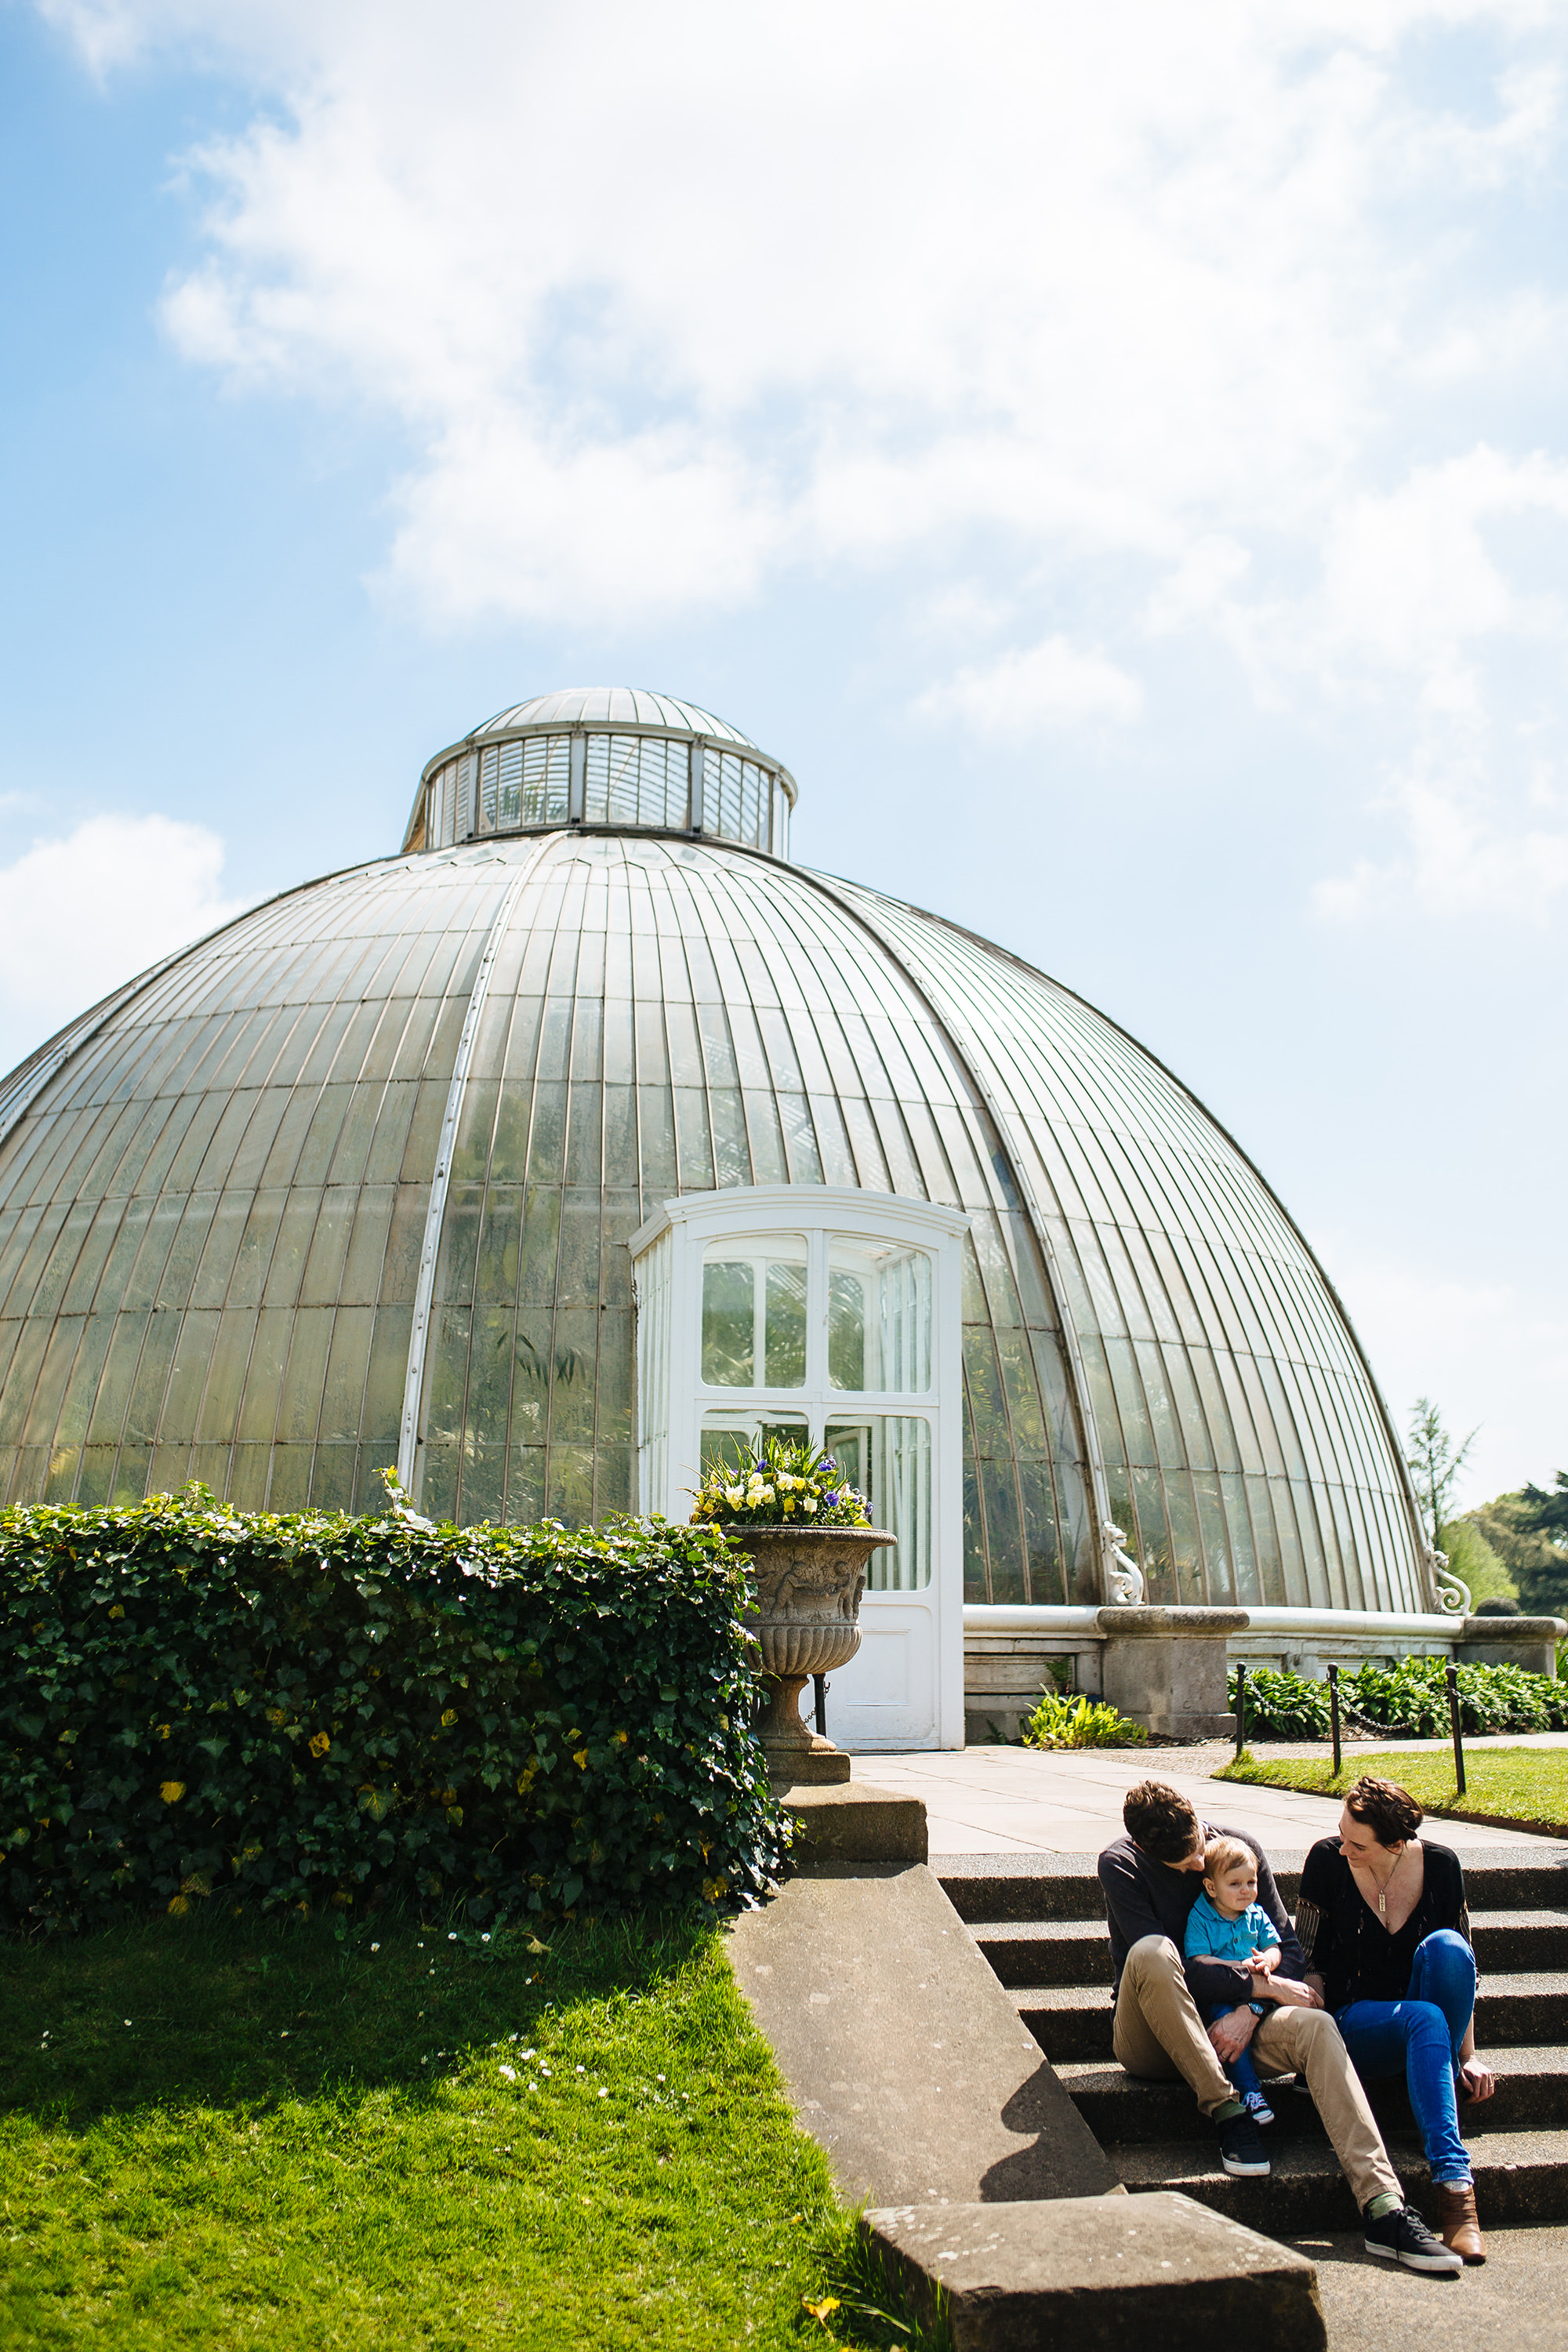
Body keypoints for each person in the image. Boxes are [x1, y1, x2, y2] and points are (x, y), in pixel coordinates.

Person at [1099, 1779, 1461, 2274]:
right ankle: (1229, 2112)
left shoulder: (1237, 1849)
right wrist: (1261, 1991)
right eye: (1183, 1867)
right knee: (1154, 1953)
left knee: (1315, 2024)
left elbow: (1289, 1955)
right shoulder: (1121, 1864)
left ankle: (1384, 2206)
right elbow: (1182, 1972)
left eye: (1197, 1851)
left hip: (1234, 2031)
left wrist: (1250, 2012)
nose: (1197, 1867)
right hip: (1152, 2035)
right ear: (1143, 1847)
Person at [1298, 1773, 1494, 2265]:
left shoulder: (1442, 1865)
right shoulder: (1326, 1860)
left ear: (1397, 1842)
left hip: (1421, 2011)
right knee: (1424, 2019)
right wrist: (1308, 1994)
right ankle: (1456, 2194)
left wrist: (1469, 2055)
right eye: (1341, 1833)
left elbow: (1462, 1970)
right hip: (1351, 2022)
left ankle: (1443, 2071)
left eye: (1357, 1843)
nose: (1344, 1848)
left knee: (1449, 1948)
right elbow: (1304, 1956)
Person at [1184, 1835, 1282, 2123]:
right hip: (1221, 1995)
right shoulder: (1201, 1917)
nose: (1245, 1891)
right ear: (1211, 1887)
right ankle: (1250, 2092)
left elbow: (1275, 1948)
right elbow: (1199, 1959)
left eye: (1251, 1883)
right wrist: (1238, 1965)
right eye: (1235, 1884)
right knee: (1228, 2025)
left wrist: (1268, 1960)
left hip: (1259, 1995)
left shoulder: (1257, 1914)